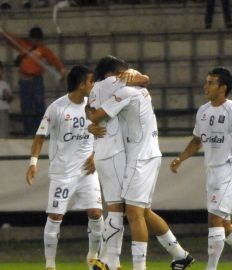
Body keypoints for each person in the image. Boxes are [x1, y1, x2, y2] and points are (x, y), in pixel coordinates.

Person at [85, 55, 194, 270]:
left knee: (133, 213)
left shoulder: (125, 92)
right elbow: (145, 79)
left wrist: (89, 123)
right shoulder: (133, 88)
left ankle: (136, 266)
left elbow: (96, 115)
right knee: (143, 211)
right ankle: (180, 254)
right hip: (144, 153)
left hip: (141, 157)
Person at [170, 67, 232, 270]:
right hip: (212, 171)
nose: (205, 86)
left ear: (223, 87)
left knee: (215, 220)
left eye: (211, 82)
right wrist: (180, 158)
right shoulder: (203, 111)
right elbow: (197, 140)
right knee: (223, 224)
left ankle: (211, 268)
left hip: (229, 170)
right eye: (206, 81)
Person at [25, 65, 103, 270]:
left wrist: (96, 155)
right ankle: (50, 264)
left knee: (96, 213)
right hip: (63, 173)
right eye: (90, 81)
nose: (93, 85)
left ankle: (93, 258)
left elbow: (104, 133)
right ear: (80, 84)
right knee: (55, 216)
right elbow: (40, 136)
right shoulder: (57, 108)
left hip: (87, 171)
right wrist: (33, 163)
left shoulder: (94, 106)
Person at [87, 57, 150, 270]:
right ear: (112, 73)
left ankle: (110, 261)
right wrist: (134, 73)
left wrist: (89, 125)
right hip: (114, 151)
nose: (126, 76)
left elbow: (89, 112)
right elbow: (144, 80)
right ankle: (107, 260)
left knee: (116, 208)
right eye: (122, 72)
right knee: (116, 210)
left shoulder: (95, 87)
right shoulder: (113, 83)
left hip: (102, 151)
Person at [1, 26, 65, 135]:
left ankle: (41, 131)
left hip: (37, 80)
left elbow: (53, 59)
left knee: (39, 107)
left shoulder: (43, 49)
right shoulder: (22, 45)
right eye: (34, 39)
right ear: (31, 38)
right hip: (25, 80)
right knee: (26, 107)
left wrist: (61, 69)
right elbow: (11, 39)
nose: (36, 41)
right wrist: (3, 31)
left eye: (38, 39)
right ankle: (28, 132)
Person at [0, 61, 13, 138]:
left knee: (3, 135)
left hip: (3, 111)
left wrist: (7, 96)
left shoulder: (5, 84)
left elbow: (10, 99)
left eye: (0, 69)